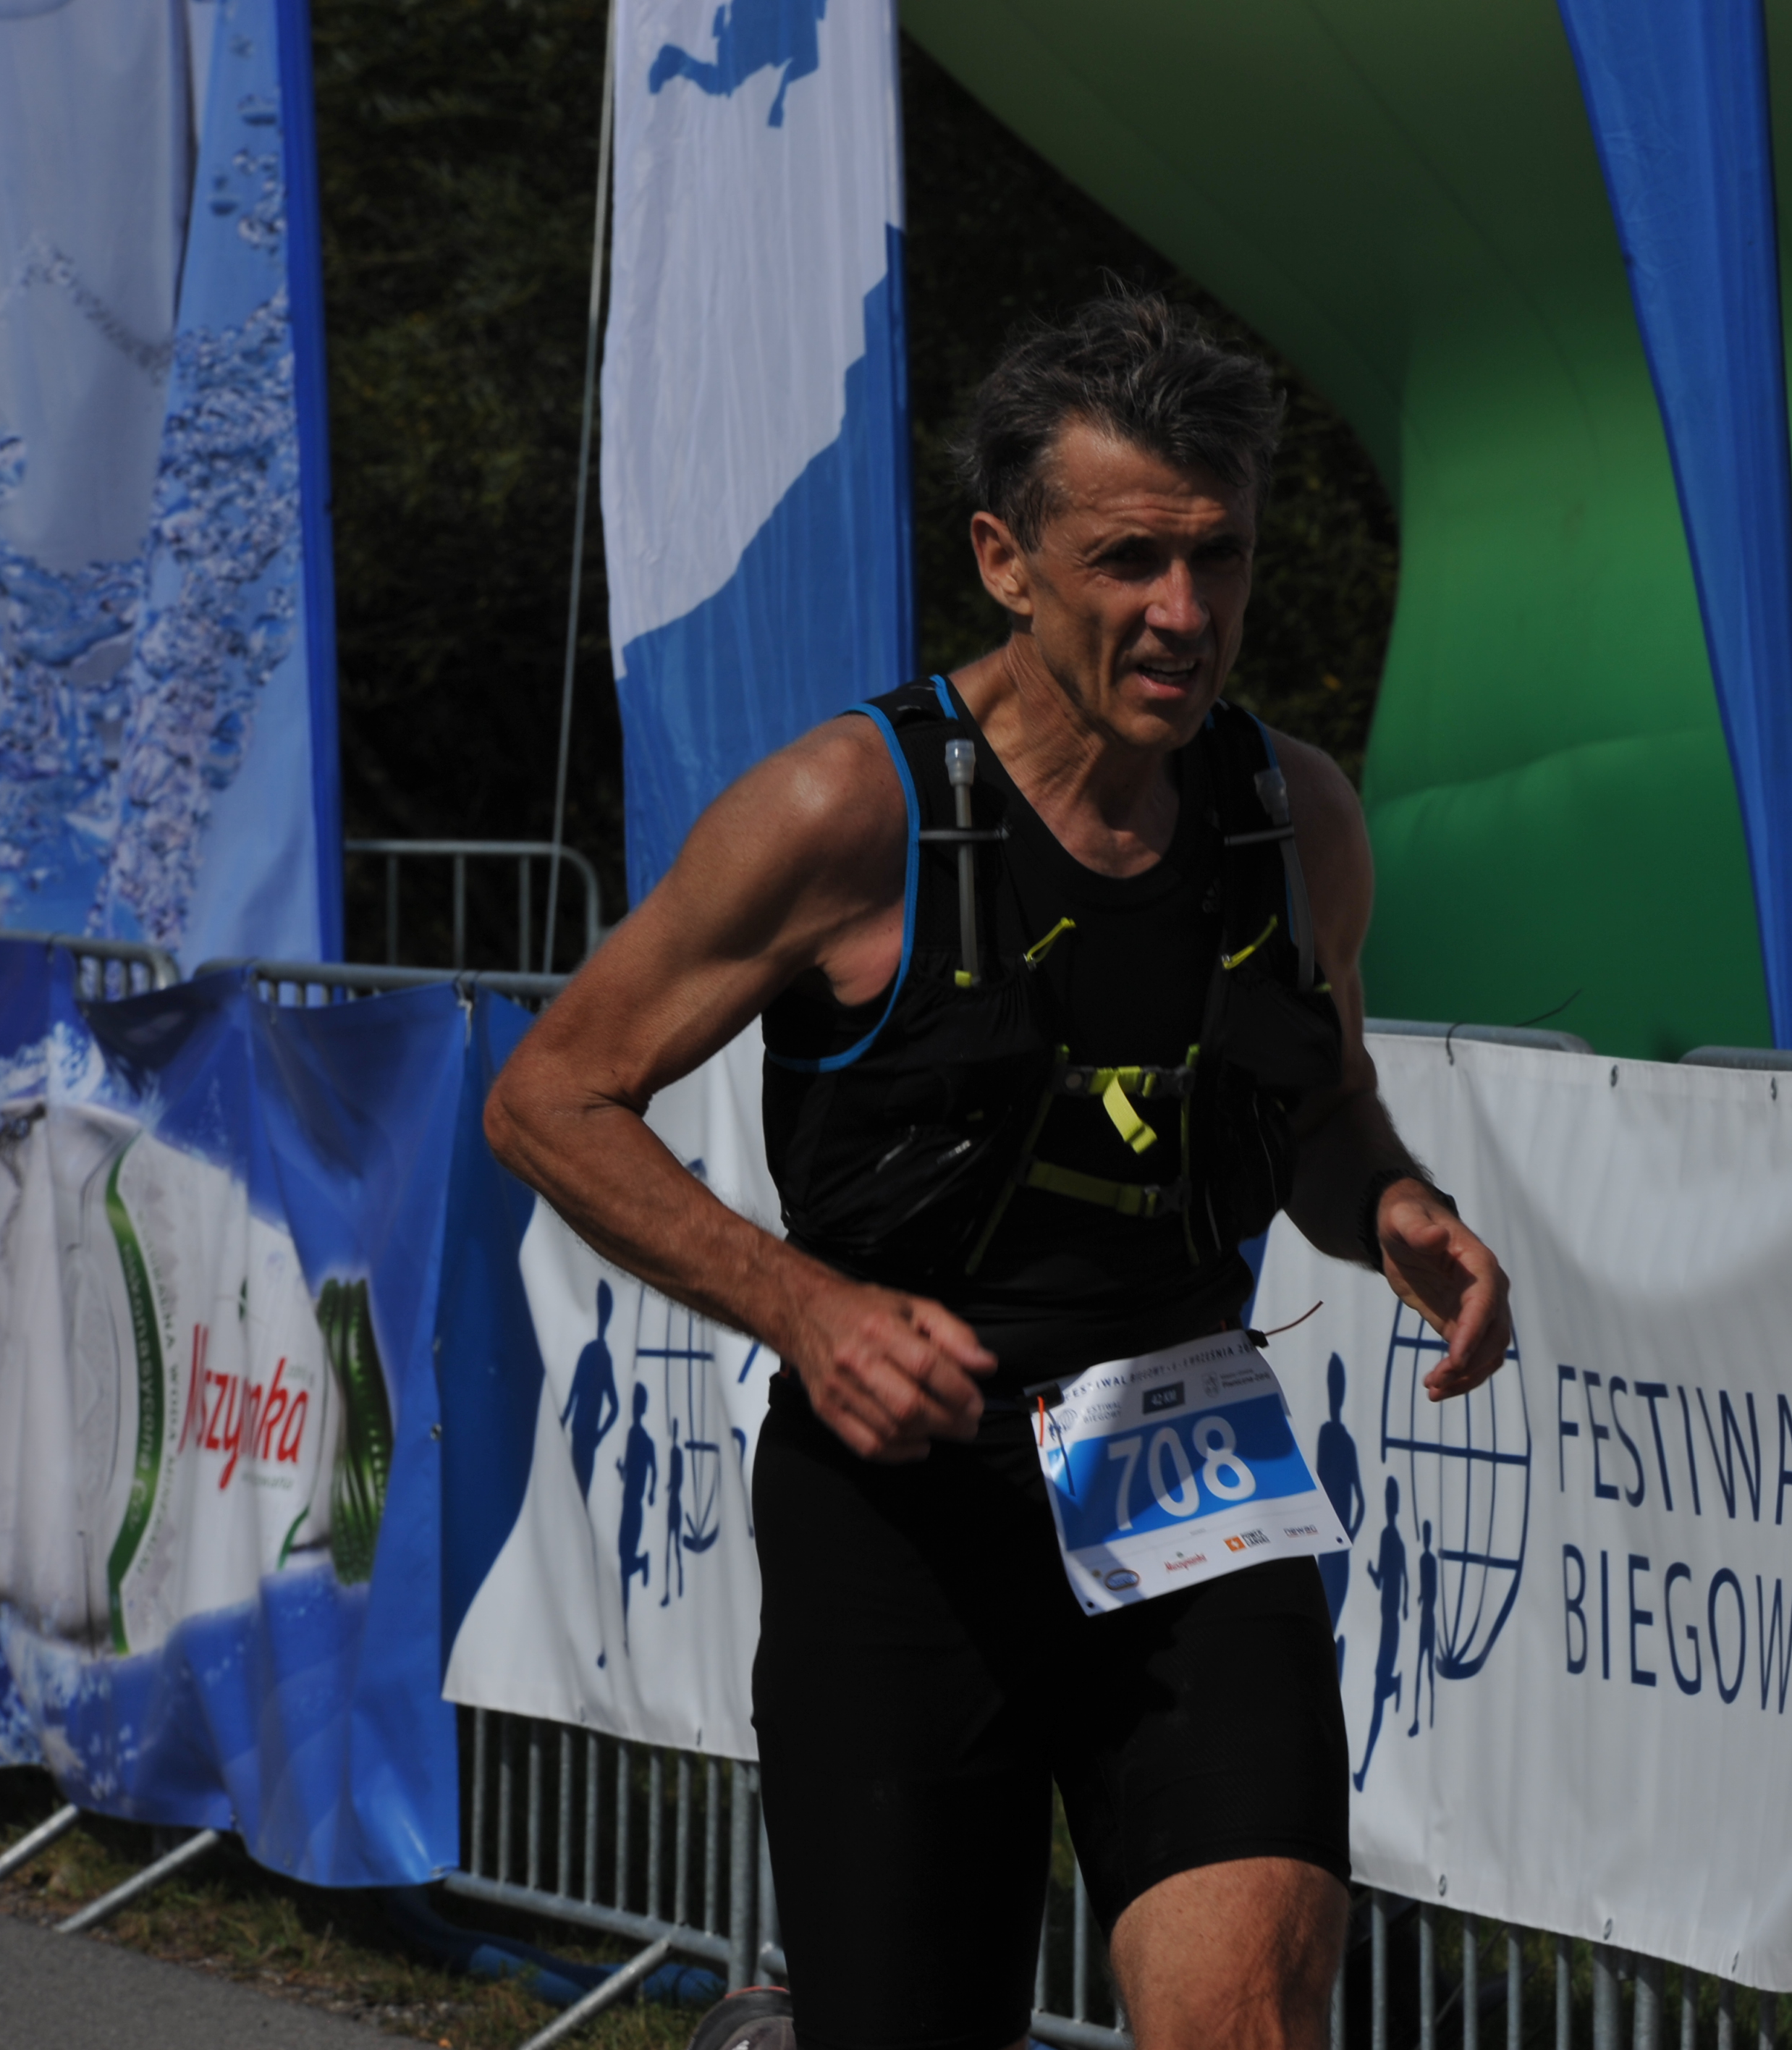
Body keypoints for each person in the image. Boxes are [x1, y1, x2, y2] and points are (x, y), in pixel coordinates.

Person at [485, 288, 1515, 2050]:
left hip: (1184, 1478)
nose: (1182, 612)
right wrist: (805, 1310)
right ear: (1005, 561)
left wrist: (1391, 1206)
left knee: (1251, 2017)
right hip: (906, 1517)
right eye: (1128, 560)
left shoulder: (1293, 821)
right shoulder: (847, 813)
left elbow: (1322, 1105)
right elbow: (551, 1096)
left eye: (1219, 557)